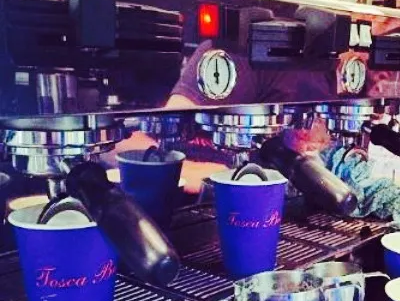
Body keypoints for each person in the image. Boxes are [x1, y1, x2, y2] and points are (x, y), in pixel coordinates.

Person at [104, 39, 335, 194]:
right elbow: (119, 146)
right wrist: (206, 175)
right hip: (177, 201)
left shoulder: (329, 78)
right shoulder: (234, 56)